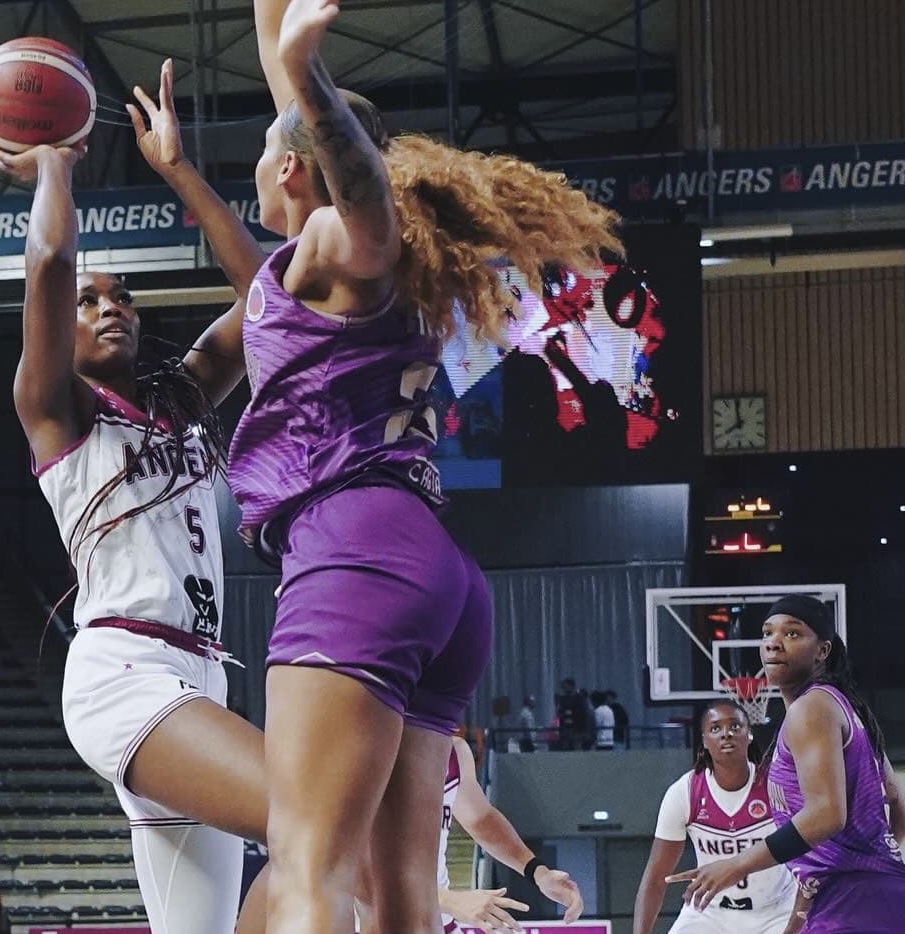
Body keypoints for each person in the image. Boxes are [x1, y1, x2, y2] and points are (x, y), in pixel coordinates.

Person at [243, 1, 620, 930]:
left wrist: (309, 74)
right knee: (403, 896)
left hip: (355, 551)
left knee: (307, 870)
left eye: (271, 140)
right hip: (435, 573)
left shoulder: (340, 242)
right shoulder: (393, 272)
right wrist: (287, 56)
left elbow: (359, 203)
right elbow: (297, 115)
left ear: (293, 163)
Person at [0, 44, 272, 931]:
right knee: (318, 817)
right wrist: (55, 165)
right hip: (128, 673)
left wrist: (179, 170)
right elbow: (46, 263)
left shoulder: (181, 399)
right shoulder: (55, 411)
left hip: (202, 675)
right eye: (89, 301)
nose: (107, 305)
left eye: (123, 296)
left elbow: (270, 296)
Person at [669, 594, 905, 933]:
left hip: (855, 905)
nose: (774, 644)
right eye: (767, 633)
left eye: (792, 634)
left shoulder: (811, 708)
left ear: (823, 650)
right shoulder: (843, 709)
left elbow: (826, 815)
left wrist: (736, 865)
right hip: (865, 900)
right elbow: (895, 799)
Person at [391, 735, 583, 932]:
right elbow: (364, 877)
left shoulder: (453, 752)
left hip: (439, 923)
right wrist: (447, 899)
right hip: (380, 922)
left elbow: (480, 818)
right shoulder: (373, 748)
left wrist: (537, 872)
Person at [633, 700, 795, 934]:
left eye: (735, 726)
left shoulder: (775, 785)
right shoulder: (684, 792)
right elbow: (656, 878)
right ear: (704, 741)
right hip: (710, 912)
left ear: (749, 735)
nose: (726, 734)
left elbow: (809, 848)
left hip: (775, 910)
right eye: (715, 728)